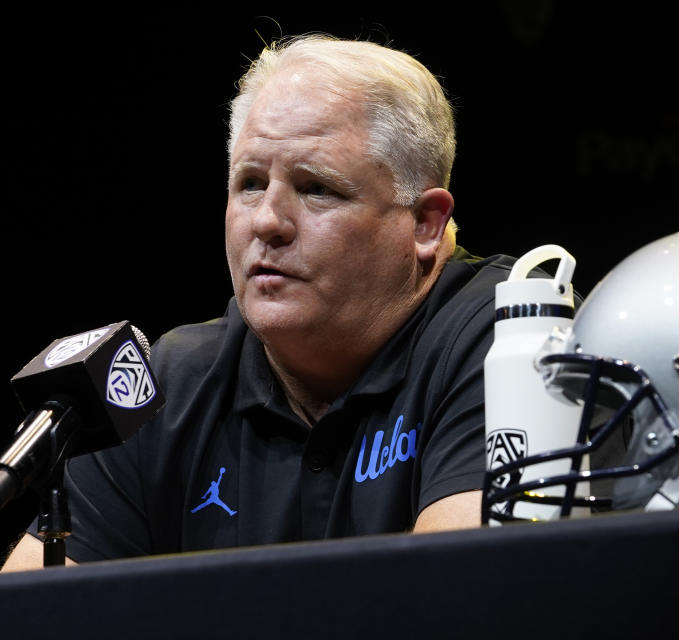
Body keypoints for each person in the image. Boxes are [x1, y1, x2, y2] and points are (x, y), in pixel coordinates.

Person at [3, 34, 516, 570]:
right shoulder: (163, 388)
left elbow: (462, 596)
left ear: (424, 223)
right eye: (250, 183)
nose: (267, 220)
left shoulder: (510, 336)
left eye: (317, 188)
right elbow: (28, 614)